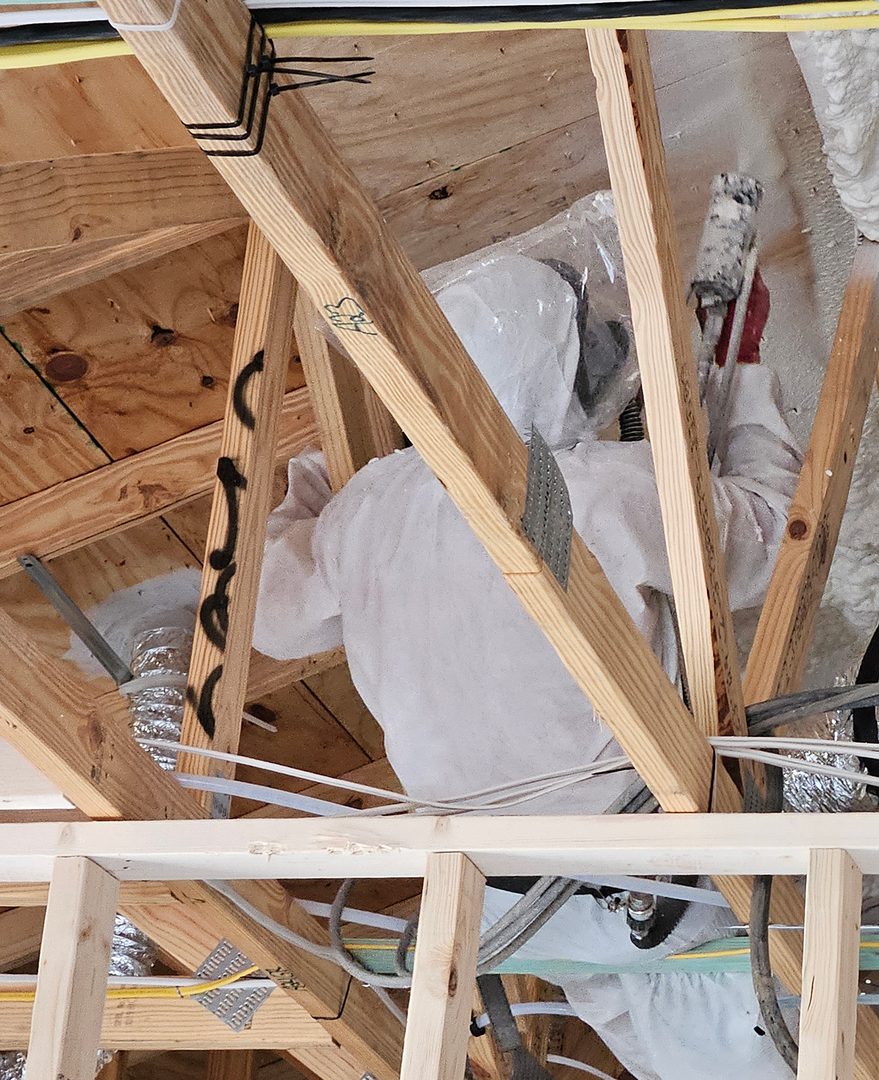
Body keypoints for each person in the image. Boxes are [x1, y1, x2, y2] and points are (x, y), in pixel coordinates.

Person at [253, 253, 801, 1079]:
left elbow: (266, 613)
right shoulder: (595, 493)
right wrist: (748, 372)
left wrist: (333, 475)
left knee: (657, 1048)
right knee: (773, 1051)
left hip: (516, 907)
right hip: (665, 892)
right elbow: (770, 534)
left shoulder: (369, 510)